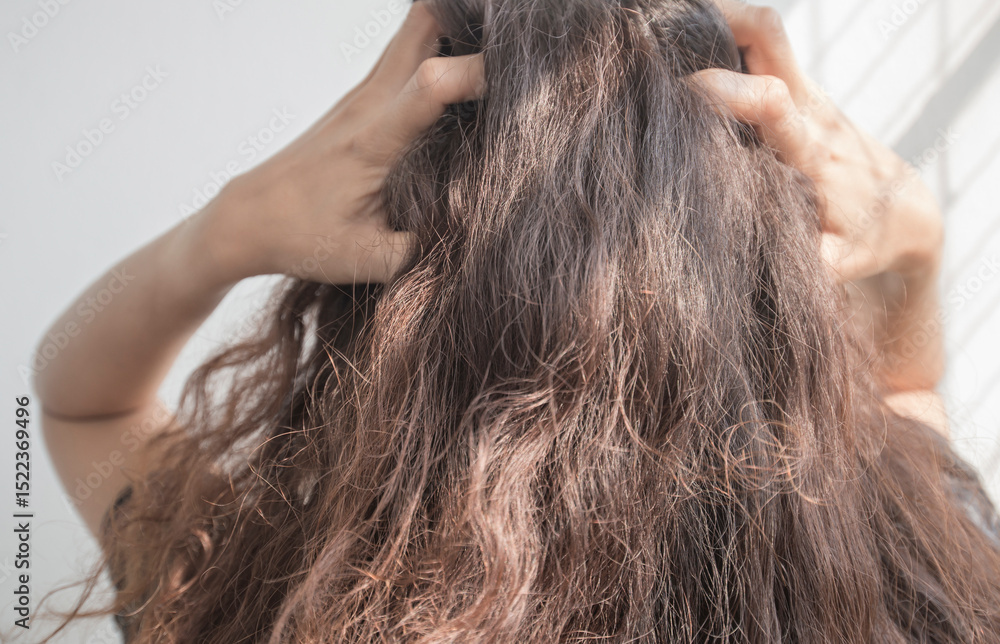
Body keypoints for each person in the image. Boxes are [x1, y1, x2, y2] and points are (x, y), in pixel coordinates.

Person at [32, 0, 1000, 641]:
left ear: (387, 311)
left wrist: (228, 224)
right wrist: (912, 265)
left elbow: (81, 401)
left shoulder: (268, 604)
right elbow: (906, 409)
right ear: (767, 292)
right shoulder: (916, 591)